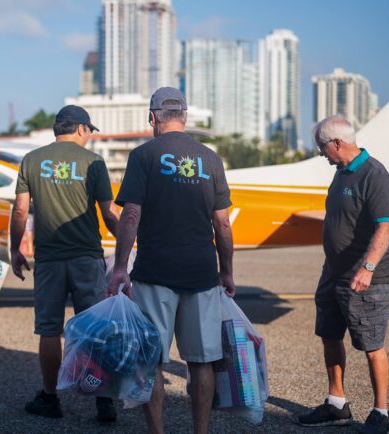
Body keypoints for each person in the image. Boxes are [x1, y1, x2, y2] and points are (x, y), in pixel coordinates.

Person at [107, 87, 236, 434]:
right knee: (202, 362)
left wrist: (120, 267)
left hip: (155, 273)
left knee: (152, 362)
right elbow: (222, 223)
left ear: (152, 118)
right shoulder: (210, 159)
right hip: (202, 274)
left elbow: (131, 213)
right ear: (186, 117)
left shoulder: (143, 155)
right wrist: (227, 272)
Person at [10, 105, 119, 422]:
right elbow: (108, 213)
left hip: (48, 260)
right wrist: (127, 245)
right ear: (83, 129)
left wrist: (15, 249)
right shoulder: (94, 162)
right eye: (90, 132)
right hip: (87, 257)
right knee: (96, 329)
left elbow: (20, 212)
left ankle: (50, 397)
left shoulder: (32, 160)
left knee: (49, 330)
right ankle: (103, 400)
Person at [298, 115, 389, 433]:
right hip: (334, 273)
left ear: (337, 142)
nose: (321, 153)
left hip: (365, 278)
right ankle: (337, 404)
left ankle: (381, 412)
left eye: (323, 147)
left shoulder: (374, 174)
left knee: (372, 344)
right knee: (329, 334)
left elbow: (385, 226)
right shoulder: (340, 173)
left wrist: (367, 268)